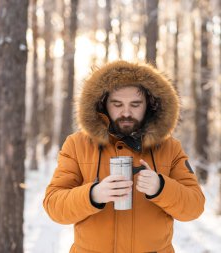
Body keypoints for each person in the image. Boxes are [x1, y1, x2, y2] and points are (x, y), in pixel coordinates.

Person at [43, 60, 205, 253]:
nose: (126, 113)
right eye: (117, 104)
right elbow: (54, 205)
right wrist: (93, 194)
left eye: (135, 104)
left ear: (150, 105)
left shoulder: (170, 148)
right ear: (103, 104)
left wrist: (161, 187)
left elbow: (194, 206)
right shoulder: (77, 145)